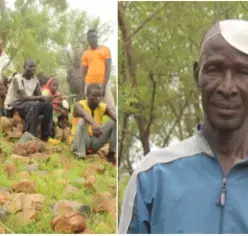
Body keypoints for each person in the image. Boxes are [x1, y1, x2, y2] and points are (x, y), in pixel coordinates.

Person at [119, 19, 248, 234]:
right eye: (214, 69)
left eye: (243, 72)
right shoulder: (152, 176)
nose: (227, 88)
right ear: (197, 75)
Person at [5, 59, 53, 141]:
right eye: (30, 66)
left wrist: (50, 98)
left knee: (48, 106)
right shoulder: (17, 78)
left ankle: (45, 136)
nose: (33, 69)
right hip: (13, 104)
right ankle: (29, 135)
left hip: (26, 104)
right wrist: (42, 98)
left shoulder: (35, 80)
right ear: (24, 67)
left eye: (34, 67)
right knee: (33, 105)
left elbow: (40, 97)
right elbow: (23, 97)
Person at [72, 83, 116, 164]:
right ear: (87, 95)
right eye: (94, 96)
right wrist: (93, 123)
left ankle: (111, 154)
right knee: (83, 119)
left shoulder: (103, 107)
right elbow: (84, 114)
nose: (98, 99)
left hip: (95, 142)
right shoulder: (79, 105)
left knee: (114, 122)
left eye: (100, 96)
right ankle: (80, 155)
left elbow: (116, 118)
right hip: (80, 142)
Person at [81, 29, 115, 110]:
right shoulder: (85, 53)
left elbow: (108, 68)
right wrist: (83, 90)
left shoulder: (105, 50)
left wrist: (104, 86)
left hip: (101, 83)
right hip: (89, 83)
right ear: (88, 39)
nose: (93, 38)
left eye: (95, 36)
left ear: (97, 38)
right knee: (88, 109)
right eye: (91, 37)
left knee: (111, 107)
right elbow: (84, 73)